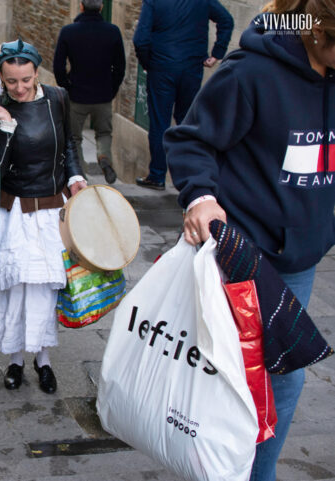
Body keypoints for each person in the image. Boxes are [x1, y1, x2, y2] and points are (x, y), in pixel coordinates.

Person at [165, 1, 335, 479]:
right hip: (241, 256)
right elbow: (190, 139)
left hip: (299, 260)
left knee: (282, 380)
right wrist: (199, 196)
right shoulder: (251, 72)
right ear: (318, 32)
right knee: (239, 379)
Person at [0, 39, 87, 394]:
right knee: (14, 288)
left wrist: (76, 177)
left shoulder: (59, 98)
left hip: (51, 211)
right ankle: (15, 361)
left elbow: (70, 143)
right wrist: (5, 126)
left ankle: (43, 360)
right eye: (11, 81)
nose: (19, 88)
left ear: (37, 74)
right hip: (13, 212)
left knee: (45, 291)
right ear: (0, 76)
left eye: (26, 80)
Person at [133, 0, 233, 190]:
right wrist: (217, 52)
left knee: (160, 122)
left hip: (162, 68)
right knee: (188, 123)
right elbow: (226, 20)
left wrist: (148, 63)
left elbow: (141, 39)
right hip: (191, 68)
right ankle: (192, 178)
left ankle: (157, 175)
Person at [53, 0, 126, 184]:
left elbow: (58, 67)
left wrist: (67, 87)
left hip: (77, 95)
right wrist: (112, 89)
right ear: (101, 7)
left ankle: (81, 175)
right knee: (103, 133)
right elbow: (120, 67)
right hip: (103, 94)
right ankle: (104, 157)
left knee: (74, 137)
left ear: (81, 7)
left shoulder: (69, 32)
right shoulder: (113, 31)